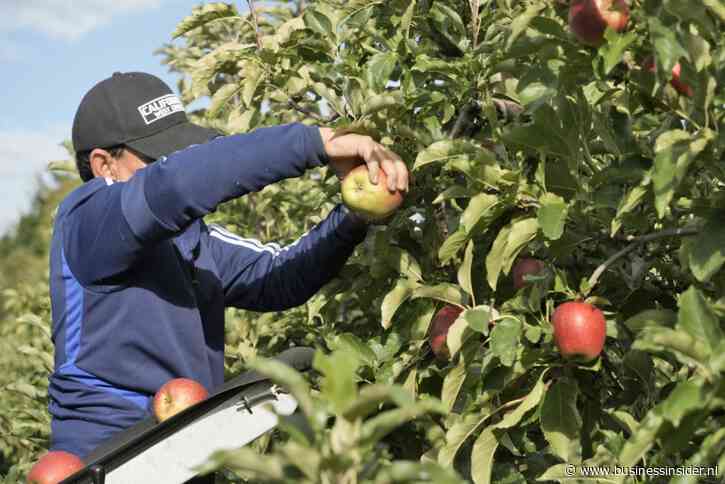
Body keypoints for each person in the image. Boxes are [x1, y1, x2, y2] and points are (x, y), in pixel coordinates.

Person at [48, 72, 408, 467]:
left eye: (178, 151)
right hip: (108, 459)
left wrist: (354, 216)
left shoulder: (190, 241)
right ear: (105, 166)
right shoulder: (89, 221)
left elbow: (278, 276)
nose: (172, 163)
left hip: (184, 448)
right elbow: (175, 185)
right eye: (157, 159)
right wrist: (316, 143)